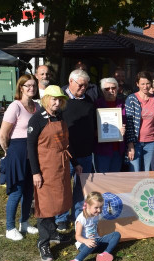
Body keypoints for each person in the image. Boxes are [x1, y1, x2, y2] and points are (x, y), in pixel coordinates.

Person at [27, 85, 82, 261]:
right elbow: (30, 148)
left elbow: (67, 143)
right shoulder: (37, 120)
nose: (57, 103)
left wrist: (75, 162)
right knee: (45, 205)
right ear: (46, 99)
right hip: (44, 168)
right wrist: (35, 172)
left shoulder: (60, 117)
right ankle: (43, 243)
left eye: (60, 100)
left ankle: (53, 234)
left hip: (61, 166)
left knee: (58, 202)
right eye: (54, 99)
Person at [0, 74, 40, 241]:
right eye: (27, 85)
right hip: (17, 152)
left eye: (34, 86)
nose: (31, 88)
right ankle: (10, 227)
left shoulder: (37, 106)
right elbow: (3, 134)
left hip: (33, 153)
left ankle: (24, 223)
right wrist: (7, 152)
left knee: (30, 191)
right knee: (17, 191)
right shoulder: (15, 106)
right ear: (21, 88)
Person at [57, 69, 96, 231]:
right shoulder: (60, 101)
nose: (83, 88)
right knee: (64, 187)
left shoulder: (88, 99)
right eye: (80, 85)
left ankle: (78, 216)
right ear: (70, 81)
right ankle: (61, 218)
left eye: (86, 86)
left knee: (81, 188)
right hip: (67, 152)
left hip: (86, 153)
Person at [66, 192, 121, 261]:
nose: (99, 210)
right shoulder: (81, 218)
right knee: (93, 242)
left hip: (96, 241)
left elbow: (95, 227)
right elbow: (77, 236)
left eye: (101, 207)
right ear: (88, 205)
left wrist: (99, 238)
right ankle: (76, 260)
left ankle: (105, 254)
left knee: (116, 234)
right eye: (96, 208)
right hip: (84, 245)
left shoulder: (96, 215)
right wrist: (86, 241)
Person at [125, 71, 154, 172]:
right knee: (135, 171)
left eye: (147, 83)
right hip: (135, 142)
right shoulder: (131, 99)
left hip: (151, 142)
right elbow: (129, 124)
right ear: (137, 84)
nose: (145, 86)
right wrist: (130, 145)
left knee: (148, 172)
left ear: (151, 83)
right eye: (142, 84)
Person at [94, 78, 126, 173]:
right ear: (102, 91)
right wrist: (97, 132)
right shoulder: (97, 104)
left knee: (114, 181)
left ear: (117, 89)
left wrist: (124, 130)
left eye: (113, 88)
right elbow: (91, 126)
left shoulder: (122, 104)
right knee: (102, 181)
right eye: (107, 89)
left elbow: (128, 124)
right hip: (102, 150)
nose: (111, 91)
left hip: (118, 150)